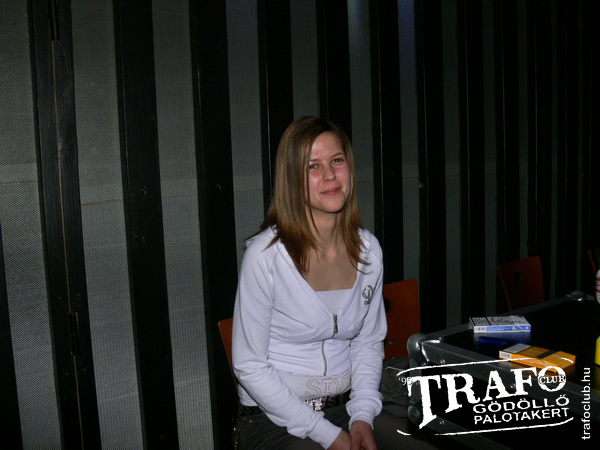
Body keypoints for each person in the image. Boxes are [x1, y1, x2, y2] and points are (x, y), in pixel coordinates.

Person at [232, 116, 391, 449]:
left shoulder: (368, 250)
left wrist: (362, 415)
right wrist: (328, 435)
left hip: (348, 407)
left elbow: (368, 342)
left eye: (337, 160)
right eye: (313, 166)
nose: (330, 175)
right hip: (275, 417)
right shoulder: (266, 256)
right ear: (291, 179)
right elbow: (250, 366)